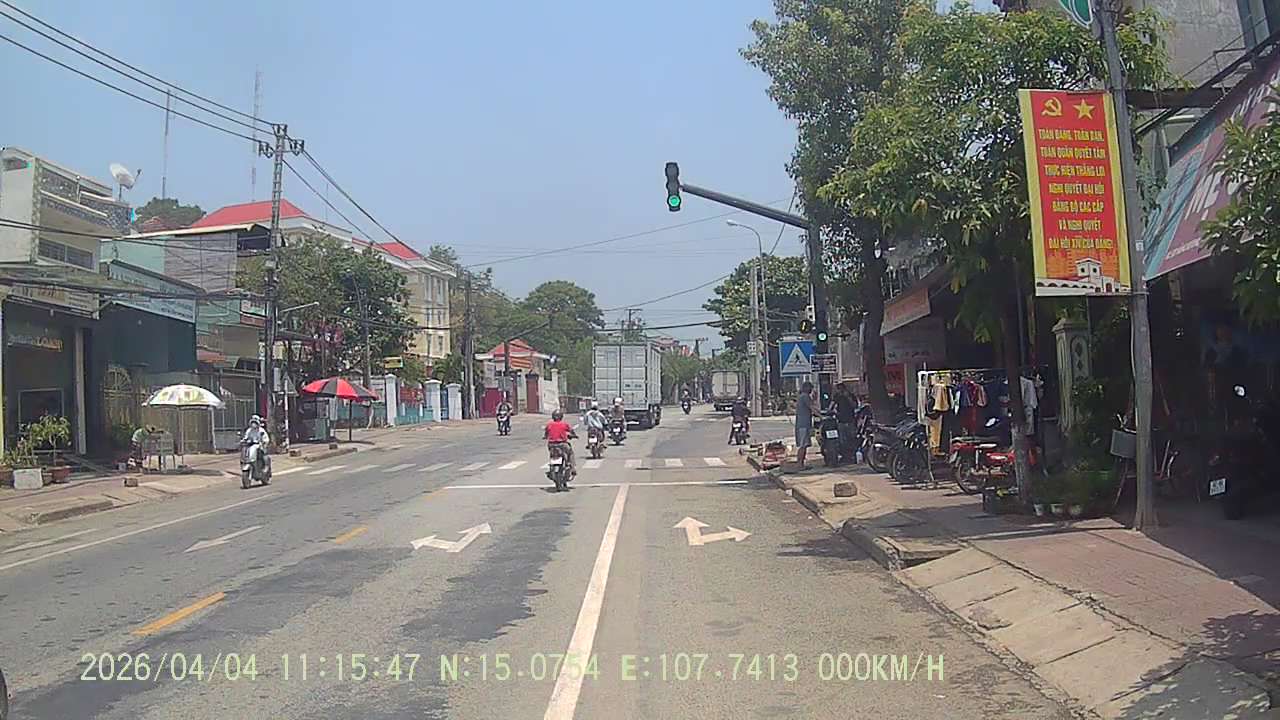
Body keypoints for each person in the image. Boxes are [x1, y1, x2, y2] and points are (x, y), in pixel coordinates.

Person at [543, 409, 578, 477]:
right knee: (570, 452)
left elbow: (546, 433)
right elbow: (571, 430)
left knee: (552, 454)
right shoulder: (564, 424)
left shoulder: (549, 424)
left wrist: (545, 437)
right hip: (562, 444)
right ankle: (572, 468)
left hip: (551, 445)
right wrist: (574, 435)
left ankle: (551, 467)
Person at [830, 382, 857, 456]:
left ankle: (852, 454)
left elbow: (855, 405)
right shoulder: (837, 396)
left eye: (841, 389)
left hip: (850, 419)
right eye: (839, 389)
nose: (840, 391)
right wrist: (831, 411)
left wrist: (848, 397)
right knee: (842, 439)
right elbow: (832, 404)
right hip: (841, 420)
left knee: (851, 438)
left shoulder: (850, 395)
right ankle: (844, 454)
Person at [795, 381, 816, 468]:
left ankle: (802, 463)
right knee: (803, 445)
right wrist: (821, 416)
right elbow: (812, 408)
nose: (811, 390)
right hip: (803, 425)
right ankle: (800, 464)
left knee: (805, 444)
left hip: (804, 424)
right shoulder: (805, 396)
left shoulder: (802, 396)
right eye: (810, 388)